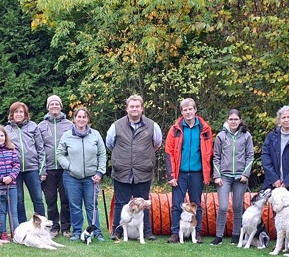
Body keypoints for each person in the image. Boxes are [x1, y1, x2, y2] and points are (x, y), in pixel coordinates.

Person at [105, 94, 163, 241]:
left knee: (143, 202)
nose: (134, 109)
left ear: (142, 108)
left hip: (143, 171)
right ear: (127, 109)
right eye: (132, 106)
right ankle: (117, 231)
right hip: (121, 170)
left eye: (137, 106)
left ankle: (147, 232)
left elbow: (157, 144)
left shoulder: (152, 126)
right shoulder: (116, 126)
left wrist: (144, 158)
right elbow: (110, 144)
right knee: (120, 202)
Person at [165, 98, 213, 243]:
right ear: (182, 112)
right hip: (180, 173)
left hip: (198, 173)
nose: (188, 112)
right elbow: (169, 152)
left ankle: (197, 232)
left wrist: (207, 174)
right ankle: (174, 233)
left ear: (195, 110)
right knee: (177, 204)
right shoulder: (175, 129)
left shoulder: (205, 129)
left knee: (196, 204)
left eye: (190, 109)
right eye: (185, 110)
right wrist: (171, 175)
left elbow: (209, 153)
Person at [56, 107, 106, 242]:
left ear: (88, 119)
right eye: (79, 117)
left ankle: (96, 232)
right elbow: (59, 154)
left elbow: (102, 154)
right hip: (71, 177)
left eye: (84, 117)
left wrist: (100, 172)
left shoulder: (95, 135)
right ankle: (77, 232)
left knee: (92, 206)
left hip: (91, 178)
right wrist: (69, 166)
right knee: (75, 206)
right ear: (74, 119)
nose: (81, 119)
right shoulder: (67, 135)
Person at [211, 109, 254, 245]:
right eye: (231, 119)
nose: (233, 122)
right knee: (223, 207)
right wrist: (217, 176)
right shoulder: (221, 136)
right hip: (224, 176)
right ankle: (219, 236)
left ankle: (236, 235)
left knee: (237, 206)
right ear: (227, 120)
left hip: (240, 176)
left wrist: (245, 174)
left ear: (240, 121)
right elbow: (216, 157)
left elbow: (250, 156)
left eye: (236, 119)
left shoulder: (246, 136)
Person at [38, 95, 74, 237]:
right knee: (51, 199)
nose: (54, 106)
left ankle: (66, 227)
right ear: (48, 107)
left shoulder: (69, 125)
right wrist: (42, 170)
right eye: (51, 104)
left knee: (66, 199)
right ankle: (54, 227)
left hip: (65, 169)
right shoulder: (41, 126)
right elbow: (39, 149)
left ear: (61, 106)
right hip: (49, 169)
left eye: (57, 104)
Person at [5, 101, 46, 223]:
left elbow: (41, 149)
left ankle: (42, 225)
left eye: (21, 112)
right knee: (18, 199)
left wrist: (42, 170)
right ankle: (22, 227)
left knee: (38, 198)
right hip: (15, 171)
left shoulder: (33, 127)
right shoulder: (7, 129)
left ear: (25, 114)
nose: (18, 114)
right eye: (16, 112)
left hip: (32, 169)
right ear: (12, 114)